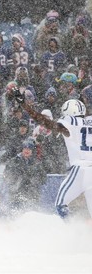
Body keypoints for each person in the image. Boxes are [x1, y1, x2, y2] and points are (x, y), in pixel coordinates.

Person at [13, 90, 92, 220]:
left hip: (80, 168)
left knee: (61, 204)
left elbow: (45, 122)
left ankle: (72, 230)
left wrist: (25, 106)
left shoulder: (70, 123)